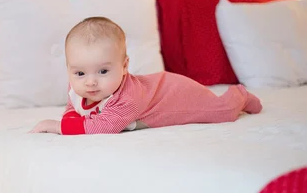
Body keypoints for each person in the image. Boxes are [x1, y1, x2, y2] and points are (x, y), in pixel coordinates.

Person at [30, 16, 262, 135]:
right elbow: (74, 109)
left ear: (124, 67)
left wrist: (57, 127)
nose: (90, 81)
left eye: (103, 71)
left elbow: (105, 126)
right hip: (159, 88)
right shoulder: (79, 89)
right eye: (80, 73)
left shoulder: (127, 99)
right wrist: (67, 120)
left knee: (222, 111)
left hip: (174, 94)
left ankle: (238, 95)